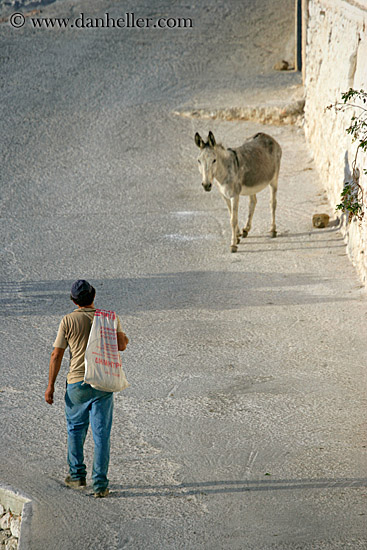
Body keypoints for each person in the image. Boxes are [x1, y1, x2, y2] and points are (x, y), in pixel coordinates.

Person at [45, 279, 129, 498]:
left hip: (77, 384)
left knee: (75, 430)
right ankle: (100, 485)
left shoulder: (68, 321)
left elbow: (57, 354)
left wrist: (50, 386)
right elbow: (121, 345)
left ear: (74, 300)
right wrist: (124, 336)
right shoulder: (109, 318)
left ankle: (77, 475)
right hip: (102, 382)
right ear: (93, 297)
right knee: (101, 435)